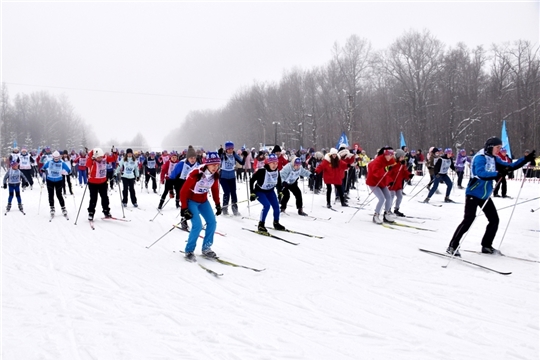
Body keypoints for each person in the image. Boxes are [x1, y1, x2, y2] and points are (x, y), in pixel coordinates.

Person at [446, 137, 535, 256]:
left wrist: (526, 159)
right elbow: (480, 173)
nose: (499, 150)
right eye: (497, 147)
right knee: (468, 220)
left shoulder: (494, 158)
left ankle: (486, 245)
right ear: (490, 147)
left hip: (485, 195)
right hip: (473, 193)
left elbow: (510, 166)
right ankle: (452, 245)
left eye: (500, 147)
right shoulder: (480, 158)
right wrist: (497, 174)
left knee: (494, 220)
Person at [180, 151, 222, 262]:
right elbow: (183, 191)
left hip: (203, 201)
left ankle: (206, 248)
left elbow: (215, 190)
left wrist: (217, 204)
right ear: (207, 164)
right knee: (197, 225)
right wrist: (184, 208)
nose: (215, 167)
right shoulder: (196, 174)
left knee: (212, 222)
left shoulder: (215, 175)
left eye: (217, 164)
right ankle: (189, 250)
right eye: (213, 165)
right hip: (191, 201)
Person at [249, 153, 286, 233]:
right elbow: (252, 180)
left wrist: (280, 192)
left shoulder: (277, 171)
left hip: (270, 191)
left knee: (276, 206)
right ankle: (261, 225)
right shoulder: (262, 171)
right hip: (260, 191)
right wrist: (252, 193)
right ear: (268, 163)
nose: (275, 165)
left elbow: (279, 183)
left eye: (276, 163)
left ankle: (276, 223)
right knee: (267, 206)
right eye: (273, 163)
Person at [169, 145, 200, 229]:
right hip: (182, 183)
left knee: (195, 202)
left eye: (194, 157)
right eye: (191, 158)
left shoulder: (198, 164)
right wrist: (170, 189)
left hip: (193, 185)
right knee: (184, 202)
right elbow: (172, 176)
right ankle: (183, 220)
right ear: (187, 158)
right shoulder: (181, 164)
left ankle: (196, 221)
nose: (193, 160)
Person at [366, 147, 397, 224]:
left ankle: (386, 214)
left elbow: (394, 167)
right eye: (389, 155)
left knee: (389, 197)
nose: (391, 157)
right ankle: (376, 215)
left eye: (392, 155)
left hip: (382, 182)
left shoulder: (390, 160)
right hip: (374, 182)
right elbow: (375, 172)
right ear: (385, 155)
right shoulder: (378, 160)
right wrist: (385, 170)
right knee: (382, 198)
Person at [217, 141, 245, 216]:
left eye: (232, 148)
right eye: (229, 149)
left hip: (232, 176)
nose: (230, 150)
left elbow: (242, 163)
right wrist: (219, 153)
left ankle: (235, 209)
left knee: (233, 193)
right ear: (226, 149)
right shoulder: (223, 155)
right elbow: (217, 159)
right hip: (223, 176)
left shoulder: (234, 155)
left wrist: (245, 156)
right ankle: (225, 208)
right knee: (227, 192)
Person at [41, 150, 72, 217]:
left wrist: (69, 172)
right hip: (50, 180)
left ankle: (63, 208)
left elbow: (68, 169)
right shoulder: (49, 162)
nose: (56, 159)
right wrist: (43, 169)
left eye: (57, 158)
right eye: (55, 158)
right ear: (53, 157)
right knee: (51, 195)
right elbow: (43, 167)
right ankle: (52, 208)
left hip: (58, 180)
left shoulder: (62, 163)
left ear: (59, 157)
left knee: (59, 195)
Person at [86, 147, 112, 220]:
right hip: (93, 183)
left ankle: (106, 211)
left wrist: (115, 153)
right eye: (98, 157)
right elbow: (87, 164)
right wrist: (91, 153)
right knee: (93, 198)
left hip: (103, 182)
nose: (100, 159)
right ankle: (91, 213)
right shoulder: (91, 161)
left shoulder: (104, 159)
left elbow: (113, 159)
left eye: (101, 157)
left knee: (105, 197)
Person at [387, 149, 413, 217]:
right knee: (391, 196)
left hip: (398, 183)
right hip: (392, 183)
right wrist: (389, 181)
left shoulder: (402, 164)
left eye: (403, 157)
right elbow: (388, 174)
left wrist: (409, 175)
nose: (403, 158)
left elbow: (404, 172)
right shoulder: (393, 164)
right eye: (402, 157)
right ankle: (388, 209)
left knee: (400, 196)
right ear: (398, 157)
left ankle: (396, 209)